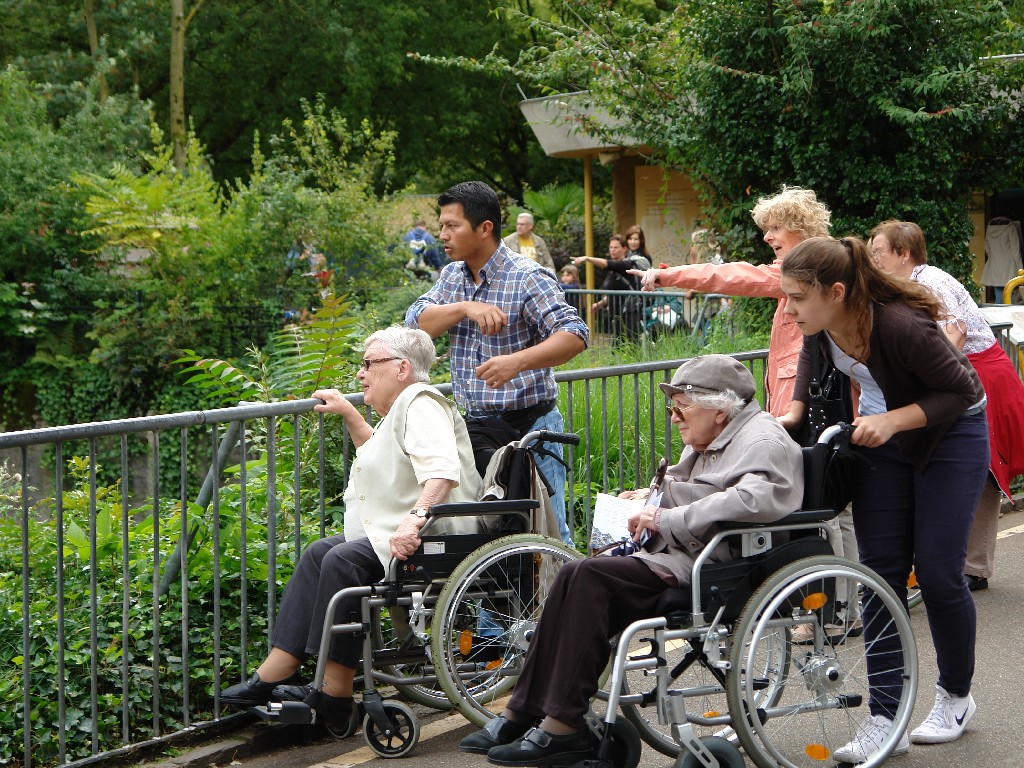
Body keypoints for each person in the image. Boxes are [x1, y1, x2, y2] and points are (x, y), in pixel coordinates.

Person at [458, 355, 804, 766]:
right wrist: (648, 496)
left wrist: (664, 516)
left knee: (587, 577)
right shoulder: (719, 434)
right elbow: (692, 488)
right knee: (572, 575)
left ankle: (562, 726)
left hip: (715, 565)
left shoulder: (762, 440)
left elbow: (754, 499)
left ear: (719, 407)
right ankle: (524, 711)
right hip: (682, 553)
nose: (675, 418)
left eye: (682, 407)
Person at [779, 236, 988, 762]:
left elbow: (961, 390)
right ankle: (884, 718)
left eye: (799, 297)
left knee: (939, 572)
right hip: (884, 439)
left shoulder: (898, 323)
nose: (790, 308)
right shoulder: (821, 326)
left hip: (952, 433)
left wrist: (892, 420)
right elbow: (809, 365)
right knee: (880, 576)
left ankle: (955, 697)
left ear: (837, 290)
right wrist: (790, 414)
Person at [219, 326, 482, 729]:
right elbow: (380, 453)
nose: (361, 374)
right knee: (318, 554)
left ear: (400, 368)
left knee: (342, 560)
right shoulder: (404, 408)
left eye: (367, 364)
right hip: (405, 534)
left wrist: (414, 521)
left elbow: (442, 473)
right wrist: (349, 412)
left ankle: (335, 692)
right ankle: (278, 669)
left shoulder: (422, 403)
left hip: (438, 537)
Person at [633, 187, 859, 638]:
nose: (769, 236)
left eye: (775, 228)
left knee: (830, 513)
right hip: (795, 410)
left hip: (814, 411)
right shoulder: (801, 277)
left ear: (798, 227)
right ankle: (820, 605)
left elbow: (736, 277)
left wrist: (673, 274)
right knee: (819, 511)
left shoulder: (803, 272)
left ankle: (838, 610)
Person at [405, 181, 588, 546]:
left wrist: (516, 363)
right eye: (442, 225)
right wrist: (464, 308)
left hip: (531, 429)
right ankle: (497, 605)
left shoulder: (527, 276)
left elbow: (575, 334)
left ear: (484, 228)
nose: (443, 235)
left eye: (452, 226)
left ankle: (563, 599)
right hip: (475, 433)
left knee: (548, 533)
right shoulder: (451, 277)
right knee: (488, 537)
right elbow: (415, 323)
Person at [869, 220, 1024, 591]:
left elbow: (953, 334)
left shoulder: (929, 282)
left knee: (984, 469)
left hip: (979, 374)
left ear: (903, 254)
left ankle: (970, 567)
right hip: (971, 373)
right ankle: (964, 565)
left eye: (878, 253)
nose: (873, 261)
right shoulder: (912, 281)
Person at [574, 234, 651, 344]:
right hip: (617, 313)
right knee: (617, 345)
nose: (612, 250)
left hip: (629, 312)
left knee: (631, 344)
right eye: (611, 247)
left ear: (624, 249)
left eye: (616, 247)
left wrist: (587, 258)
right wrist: (600, 303)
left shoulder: (625, 265)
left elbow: (606, 263)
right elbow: (616, 290)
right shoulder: (613, 270)